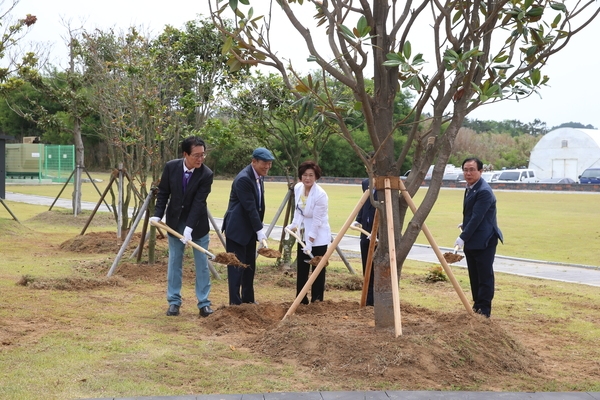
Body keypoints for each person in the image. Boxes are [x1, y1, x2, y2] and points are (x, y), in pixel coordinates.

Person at [150, 136, 214, 318]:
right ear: (185, 154)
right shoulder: (171, 167)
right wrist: (157, 213)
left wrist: (190, 228)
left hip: (198, 224)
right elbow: (163, 192)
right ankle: (174, 302)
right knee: (175, 262)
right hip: (175, 222)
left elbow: (199, 203)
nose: (200, 159)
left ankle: (204, 303)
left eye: (203, 155)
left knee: (202, 264)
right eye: (196, 155)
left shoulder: (206, 174)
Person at [222, 147, 275, 305]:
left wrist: (257, 229)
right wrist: (260, 230)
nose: (267, 167)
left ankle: (248, 300)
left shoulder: (259, 176)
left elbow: (258, 205)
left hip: (250, 229)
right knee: (236, 266)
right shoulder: (244, 179)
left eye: (269, 163)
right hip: (237, 229)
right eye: (264, 163)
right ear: (254, 161)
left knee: (249, 266)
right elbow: (250, 207)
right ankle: (235, 303)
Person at [455, 157, 503, 318]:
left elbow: (477, 217)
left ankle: (484, 310)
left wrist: (462, 237)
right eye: (465, 170)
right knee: (474, 275)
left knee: (484, 276)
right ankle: (477, 307)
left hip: (485, 240)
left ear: (481, 172)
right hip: (473, 238)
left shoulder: (483, 191)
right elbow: (473, 214)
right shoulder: (471, 187)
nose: (468, 173)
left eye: (472, 170)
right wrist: (465, 223)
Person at [285, 161, 331, 304]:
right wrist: (293, 224)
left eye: (311, 175)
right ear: (300, 177)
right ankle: (301, 300)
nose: (307, 178)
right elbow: (299, 209)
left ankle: (317, 301)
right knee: (302, 268)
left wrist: (310, 242)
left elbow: (317, 221)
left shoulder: (320, 195)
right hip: (303, 233)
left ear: (316, 176)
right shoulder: (298, 188)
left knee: (317, 269)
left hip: (319, 235)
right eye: (304, 175)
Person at [352, 177, 376, 306]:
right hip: (365, 233)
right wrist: (359, 219)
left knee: (376, 268)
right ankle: (368, 299)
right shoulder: (366, 183)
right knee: (366, 267)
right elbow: (364, 203)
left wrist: (377, 231)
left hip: (379, 235)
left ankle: (375, 300)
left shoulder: (386, 185)